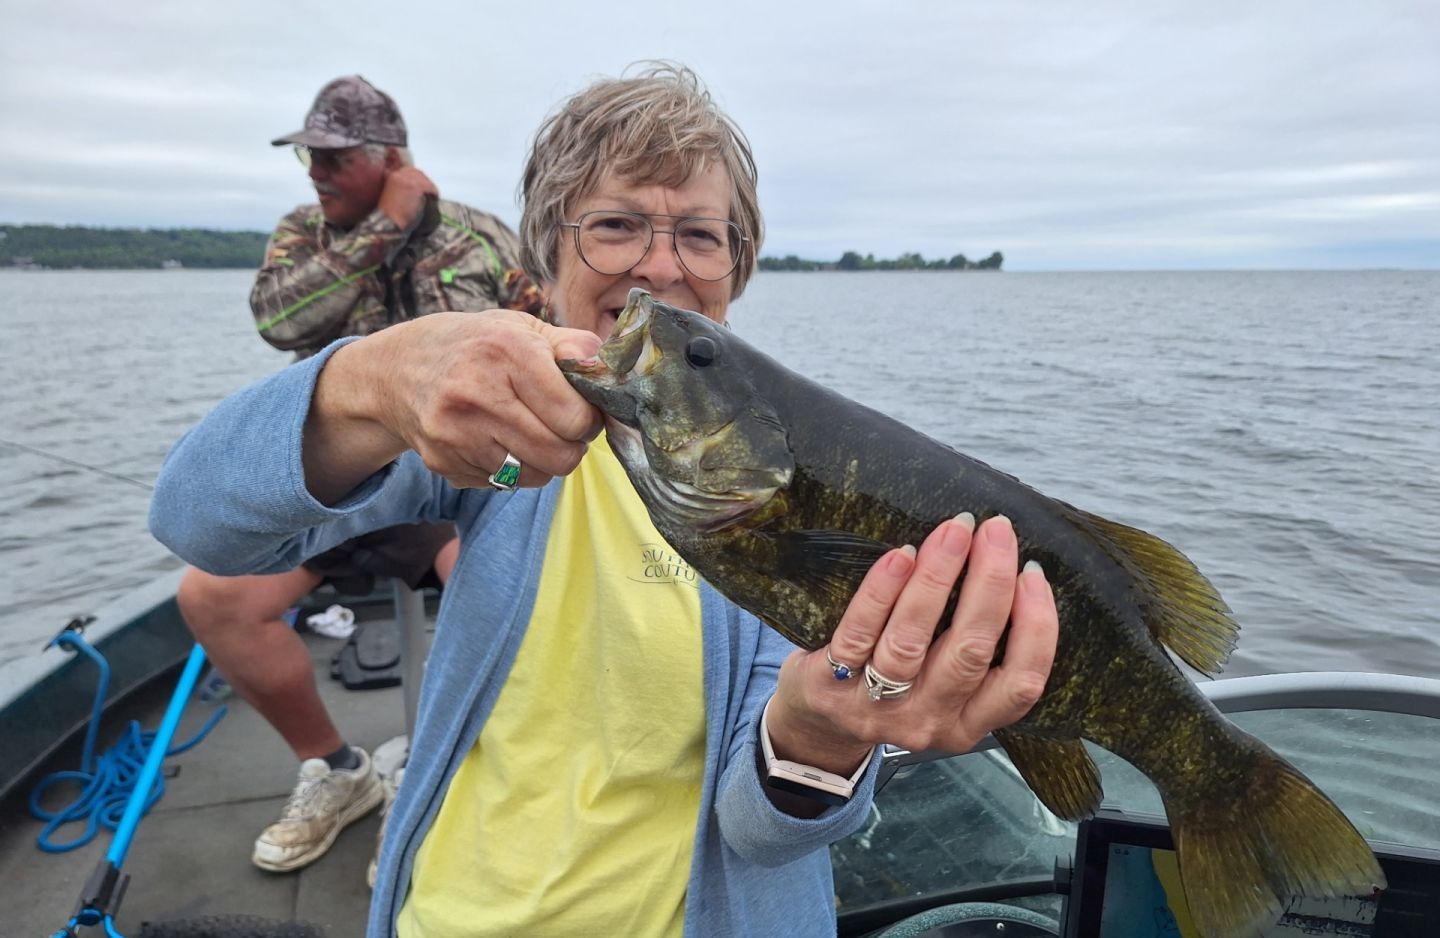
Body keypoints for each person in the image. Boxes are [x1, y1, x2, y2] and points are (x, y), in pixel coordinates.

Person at [151, 63, 1059, 937]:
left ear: (737, 269)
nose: (660, 267)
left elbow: (762, 830)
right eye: (616, 224)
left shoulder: (813, 488)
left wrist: (818, 739)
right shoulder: (489, 445)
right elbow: (198, 523)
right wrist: (370, 382)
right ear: (546, 260)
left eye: (701, 236)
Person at [176, 74, 544, 876]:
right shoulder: (302, 234)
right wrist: (385, 226)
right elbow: (280, 323)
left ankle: (441, 772)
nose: (315, 172)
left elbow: (546, 332)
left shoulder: (481, 239)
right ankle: (341, 772)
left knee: (518, 596)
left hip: (460, 486)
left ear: (392, 158)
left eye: (334, 159)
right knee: (213, 599)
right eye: (310, 156)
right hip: (337, 487)